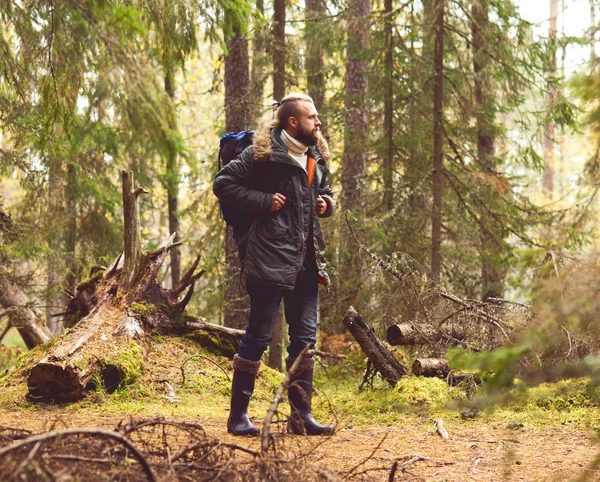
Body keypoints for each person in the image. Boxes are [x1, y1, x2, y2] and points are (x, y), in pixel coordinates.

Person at [213, 93, 336, 436]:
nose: (319, 122)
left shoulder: (315, 155)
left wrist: (327, 204)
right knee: (259, 337)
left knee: (304, 339)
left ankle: (301, 418)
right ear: (293, 122)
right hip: (268, 259)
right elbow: (223, 184)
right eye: (313, 117)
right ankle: (238, 418)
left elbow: (327, 192)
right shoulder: (262, 155)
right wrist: (263, 201)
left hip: (308, 261)